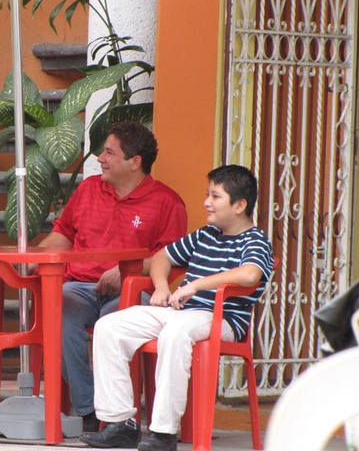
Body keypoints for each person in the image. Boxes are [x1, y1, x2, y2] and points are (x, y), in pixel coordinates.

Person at [79, 164, 274, 451]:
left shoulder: (255, 240)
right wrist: (161, 286)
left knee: (175, 331)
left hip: (222, 319)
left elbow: (250, 274)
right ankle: (120, 423)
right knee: (110, 326)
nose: (207, 202)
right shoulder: (206, 234)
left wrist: (197, 285)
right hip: (183, 313)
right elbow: (162, 256)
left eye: (215, 196)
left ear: (239, 205)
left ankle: (163, 432)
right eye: (207, 194)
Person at [37, 121, 187, 431]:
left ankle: (113, 415)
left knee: (111, 325)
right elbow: (63, 233)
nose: (100, 159)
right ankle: (90, 411)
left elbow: (168, 257)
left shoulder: (167, 202)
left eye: (109, 152)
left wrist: (124, 273)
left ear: (135, 162)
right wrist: (38, 255)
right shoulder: (90, 188)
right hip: (79, 286)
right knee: (57, 311)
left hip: (132, 289)